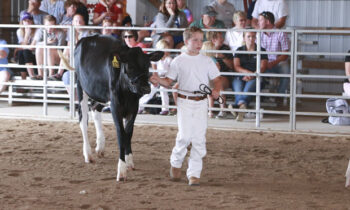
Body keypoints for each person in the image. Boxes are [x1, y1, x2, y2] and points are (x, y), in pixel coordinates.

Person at [150, 26, 221, 186]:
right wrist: (157, 80)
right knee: (184, 136)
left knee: (199, 138)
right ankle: (176, 162)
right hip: (184, 102)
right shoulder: (178, 61)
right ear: (186, 41)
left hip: (201, 102)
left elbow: (217, 79)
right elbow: (169, 81)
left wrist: (216, 89)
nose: (199, 43)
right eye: (195, 40)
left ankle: (194, 174)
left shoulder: (207, 60)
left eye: (200, 40)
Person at [232, 31, 268, 121]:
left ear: (256, 38)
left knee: (247, 89)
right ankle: (242, 106)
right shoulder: (239, 50)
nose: (251, 39)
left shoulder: (261, 50)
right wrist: (247, 73)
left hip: (256, 76)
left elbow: (263, 67)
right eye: (248, 36)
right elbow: (236, 66)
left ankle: (238, 107)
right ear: (244, 38)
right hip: (241, 76)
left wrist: (253, 75)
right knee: (238, 89)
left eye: (253, 36)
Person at [258, 11, 289, 97]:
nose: (258, 22)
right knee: (254, 66)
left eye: (260, 20)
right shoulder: (258, 34)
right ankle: (257, 95)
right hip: (263, 62)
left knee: (285, 69)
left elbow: (285, 54)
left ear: (267, 22)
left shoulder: (281, 33)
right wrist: (264, 62)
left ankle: (280, 95)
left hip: (277, 63)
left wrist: (273, 63)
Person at [138, 40, 173, 115]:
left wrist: (164, 81)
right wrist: (156, 80)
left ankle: (165, 109)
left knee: (163, 90)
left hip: (165, 78)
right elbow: (154, 70)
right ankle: (139, 106)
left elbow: (170, 72)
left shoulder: (169, 59)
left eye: (167, 49)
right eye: (164, 49)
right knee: (150, 92)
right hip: (156, 77)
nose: (165, 52)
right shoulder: (156, 59)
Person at [206, 31, 233, 119]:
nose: (222, 39)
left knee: (219, 84)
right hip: (209, 77)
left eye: (222, 37)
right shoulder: (207, 49)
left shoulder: (225, 48)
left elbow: (232, 66)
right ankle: (209, 110)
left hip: (223, 76)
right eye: (220, 38)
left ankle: (223, 110)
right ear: (213, 40)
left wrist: (223, 57)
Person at [32, 15, 66, 80]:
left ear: (55, 25)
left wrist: (50, 46)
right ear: (44, 25)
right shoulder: (41, 30)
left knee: (49, 49)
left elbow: (61, 49)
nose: (49, 28)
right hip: (45, 56)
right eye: (47, 26)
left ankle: (51, 74)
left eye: (51, 26)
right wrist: (46, 42)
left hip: (59, 57)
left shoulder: (61, 33)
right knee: (39, 48)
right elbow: (36, 45)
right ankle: (40, 74)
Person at [16, 12, 38, 79]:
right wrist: (26, 35)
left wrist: (28, 34)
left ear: (32, 21)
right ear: (22, 22)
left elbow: (32, 48)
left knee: (25, 51)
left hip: (36, 55)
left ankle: (31, 76)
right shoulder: (19, 31)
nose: (27, 22)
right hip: (26, 55)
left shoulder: (37, 30)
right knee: (21, 52)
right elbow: (22, 46)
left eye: (29, 20)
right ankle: (24, 78)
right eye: (25, 21)